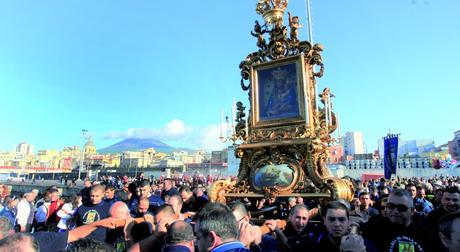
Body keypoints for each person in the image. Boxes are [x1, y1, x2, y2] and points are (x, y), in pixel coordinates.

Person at [361, 189, 438, 251]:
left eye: (401, 208)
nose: (395, 211)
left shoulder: (424, 233)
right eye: (391, 206)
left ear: (412, 211)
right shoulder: (375, 226)